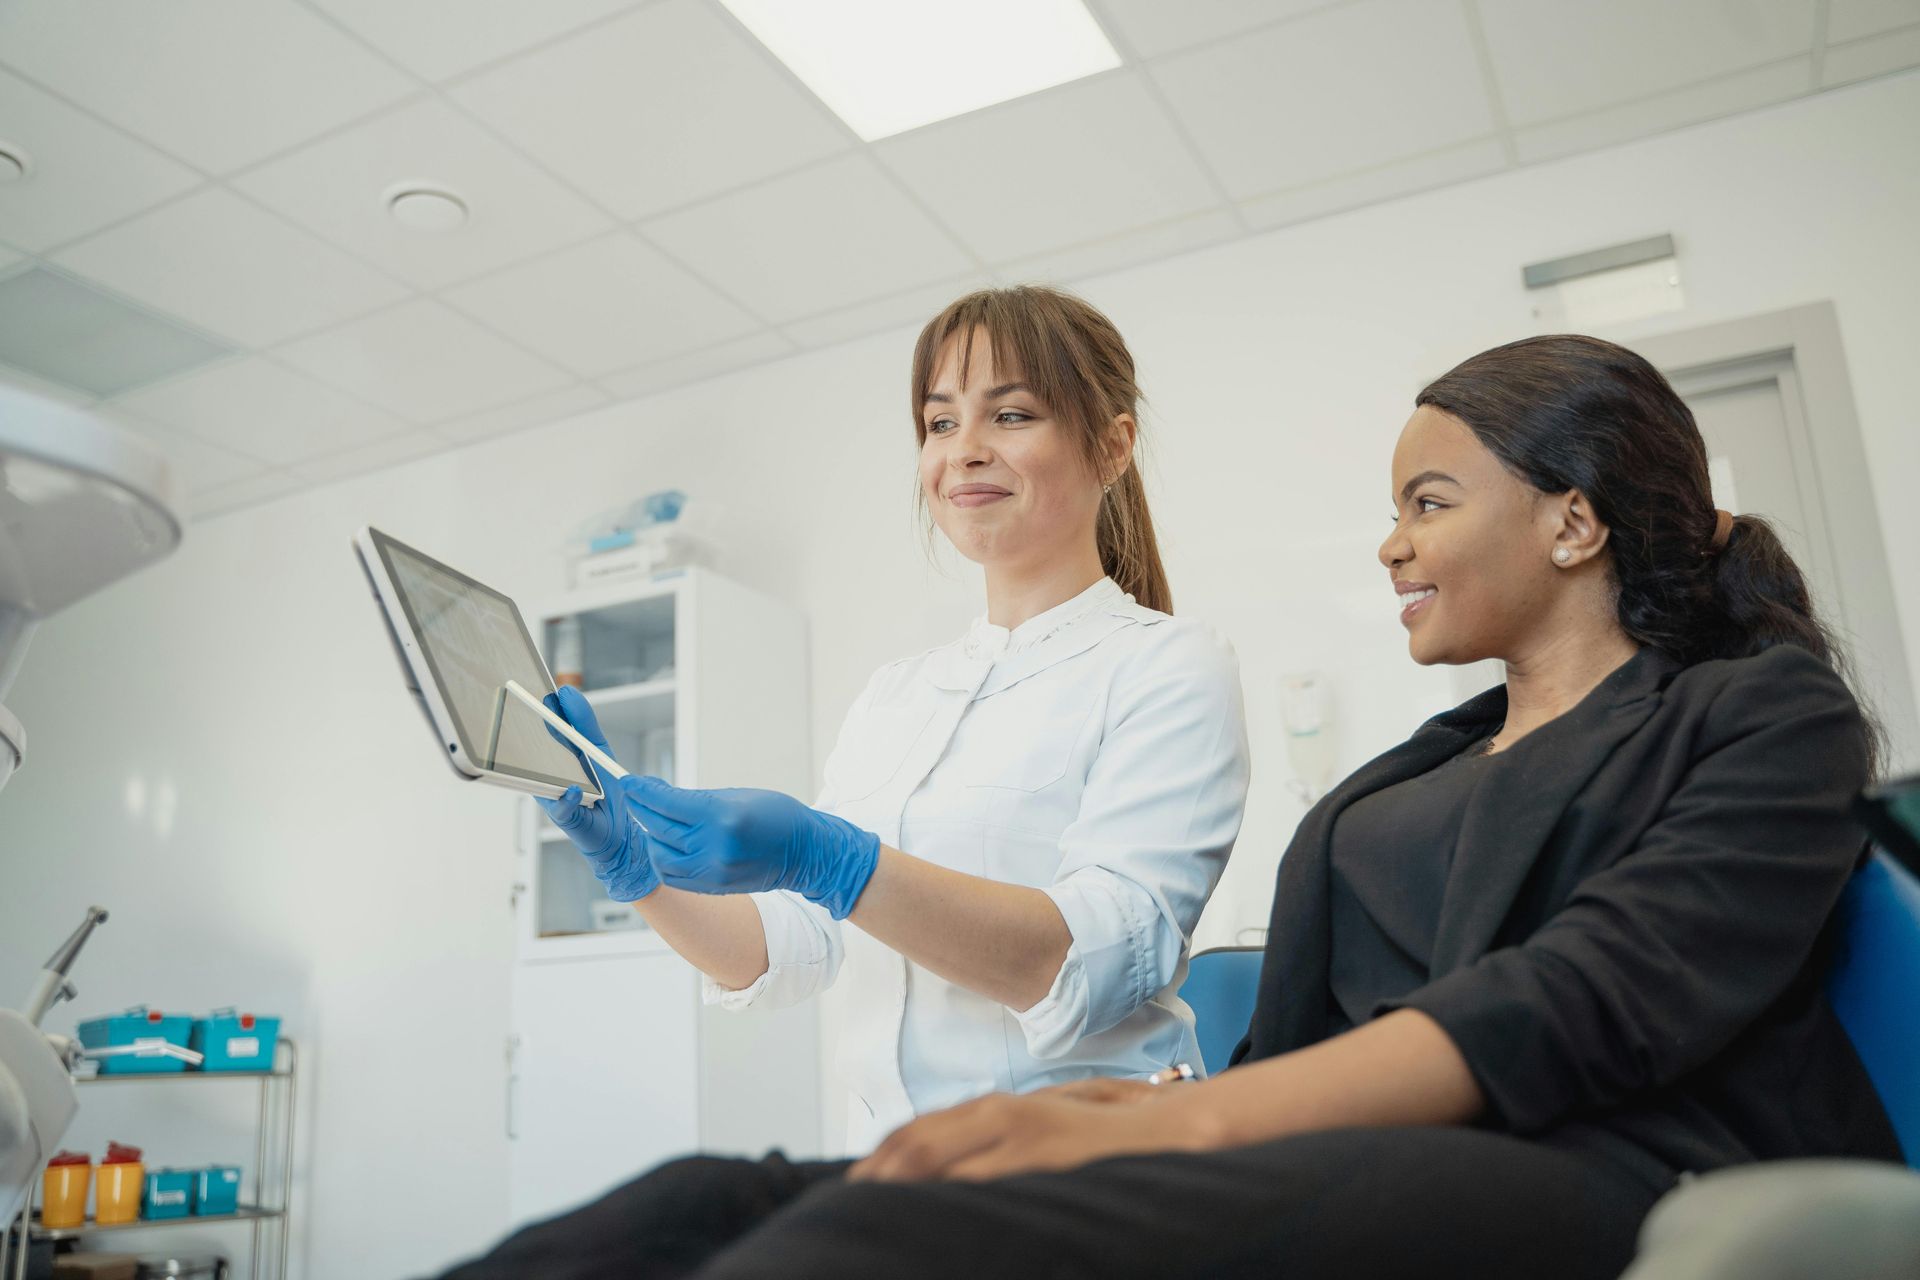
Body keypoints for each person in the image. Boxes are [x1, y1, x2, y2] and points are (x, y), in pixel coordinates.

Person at [438, 334, 1901, 1280]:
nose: (1390, 543)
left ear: (1574, 518)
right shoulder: (1421, 771)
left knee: (850, 1250)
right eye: (939, 419)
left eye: (1431, 502)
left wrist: (1167, 1133)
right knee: (690, 1205)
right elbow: (1285, 1038)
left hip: (1593, 1160)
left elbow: (1580, 1001)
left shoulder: (1756, 711)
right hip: (1335, 1139)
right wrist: (640, 864)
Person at [537, 285, 1250, 1152]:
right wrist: (637, 866)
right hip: (895, 1168)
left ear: (1111, 446)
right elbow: (789, 949)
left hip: (1079, 1171)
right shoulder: (896, 695)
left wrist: (834, 859)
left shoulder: (1168, 665)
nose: (965, 452)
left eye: (1012, 414)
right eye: (940, 423)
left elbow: (1092, 963)